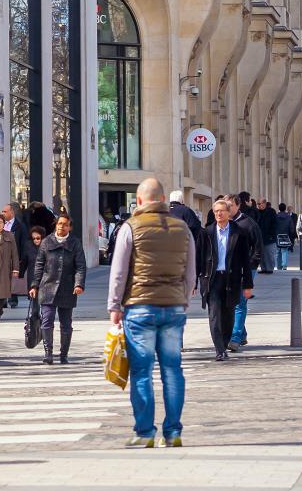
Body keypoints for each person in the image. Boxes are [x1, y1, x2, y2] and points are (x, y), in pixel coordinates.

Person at [108, 177, 196, 449]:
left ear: (141, 200)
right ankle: (173, 432)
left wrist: (114, 306)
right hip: (173, 308)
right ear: (163, 200)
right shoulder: (183, 228)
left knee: (142, 372)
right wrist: (183, 299)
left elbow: (119, 271)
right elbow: (190, 272)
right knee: (172, 370)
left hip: (140, 307)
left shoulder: (130, 227)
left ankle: (145, 432)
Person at [196, 199, 254, 361]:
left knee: (228, 316)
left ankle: (225, 342)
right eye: (216, 212)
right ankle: (219, 349)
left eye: (222, 211)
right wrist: (194, 281)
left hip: (232, 280)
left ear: (229, 213)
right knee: (214, 314)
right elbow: (198, 259)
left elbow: (245, 261)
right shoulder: (206, 233)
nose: (219, 214)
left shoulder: (239, 232)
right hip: (212, 279)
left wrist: (248, 285)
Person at [28, 214, 86, 364]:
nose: (62, 226)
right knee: (47, 320)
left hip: (67, 288)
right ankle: (48, 353)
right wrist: (34, 285)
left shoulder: (75, 243)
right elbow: (39, 265)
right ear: (56, 225)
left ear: (70, 227)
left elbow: (80, 266)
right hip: (47, 287)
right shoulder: (47, 242)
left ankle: (64, 354)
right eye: (60, 223)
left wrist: (78, 284)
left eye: (65, 224)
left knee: (66, 323)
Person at [225, 193, 260, 352]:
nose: (227, 209)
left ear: (238, 205)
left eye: (230, 206)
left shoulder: (248, 224)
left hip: (245, 269)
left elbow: (258, 247)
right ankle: (242, 333)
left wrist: (251, 266)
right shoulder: (223, 223)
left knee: (239, 303)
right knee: (231, 302)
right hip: (227, 269)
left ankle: (235, 338)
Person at [4, 203, 32, 307]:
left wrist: (21, 258)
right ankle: (2, 301)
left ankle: (12, 299)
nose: (3, 213)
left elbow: (23, 242)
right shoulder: (1, 223)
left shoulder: (20, 225)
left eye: (5, 211)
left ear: (12, 212)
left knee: (12, 279)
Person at [256, 199, 277, 274]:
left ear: (264, 203)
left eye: (260, 203)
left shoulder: (271, 211)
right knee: (261, 254)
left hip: (269, 236)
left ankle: (270, 268)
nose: (258, 205)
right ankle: (263, 268)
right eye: (257, 204)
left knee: (269, 253)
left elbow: (274, 224)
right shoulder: (256, 212)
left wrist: (272, 234)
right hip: (259, 236)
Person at [275, 203, 296, 271]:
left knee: (278, 251)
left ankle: (278, 266)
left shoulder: (276, 216)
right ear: (285, 208)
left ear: (279, 208)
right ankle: (284, 265)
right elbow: (291, 228)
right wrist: (291, 235)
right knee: (284, 251)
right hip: (285, 235)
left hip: (277, 236)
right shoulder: (288, 217)